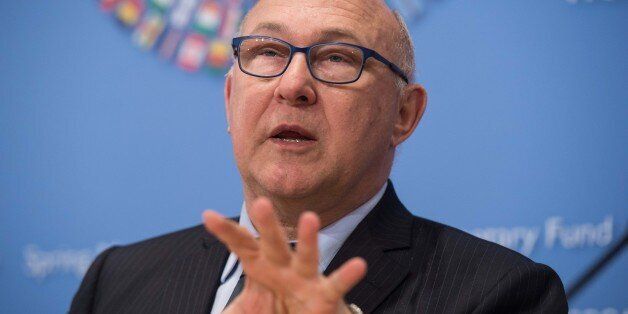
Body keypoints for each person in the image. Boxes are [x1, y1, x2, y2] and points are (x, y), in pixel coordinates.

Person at [70, 0, 568, 313]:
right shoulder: (117, 282)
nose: (293, 86)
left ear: (404, 114)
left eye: (337, 58)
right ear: (229, 99)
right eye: (267, 51)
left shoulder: (503, 295)